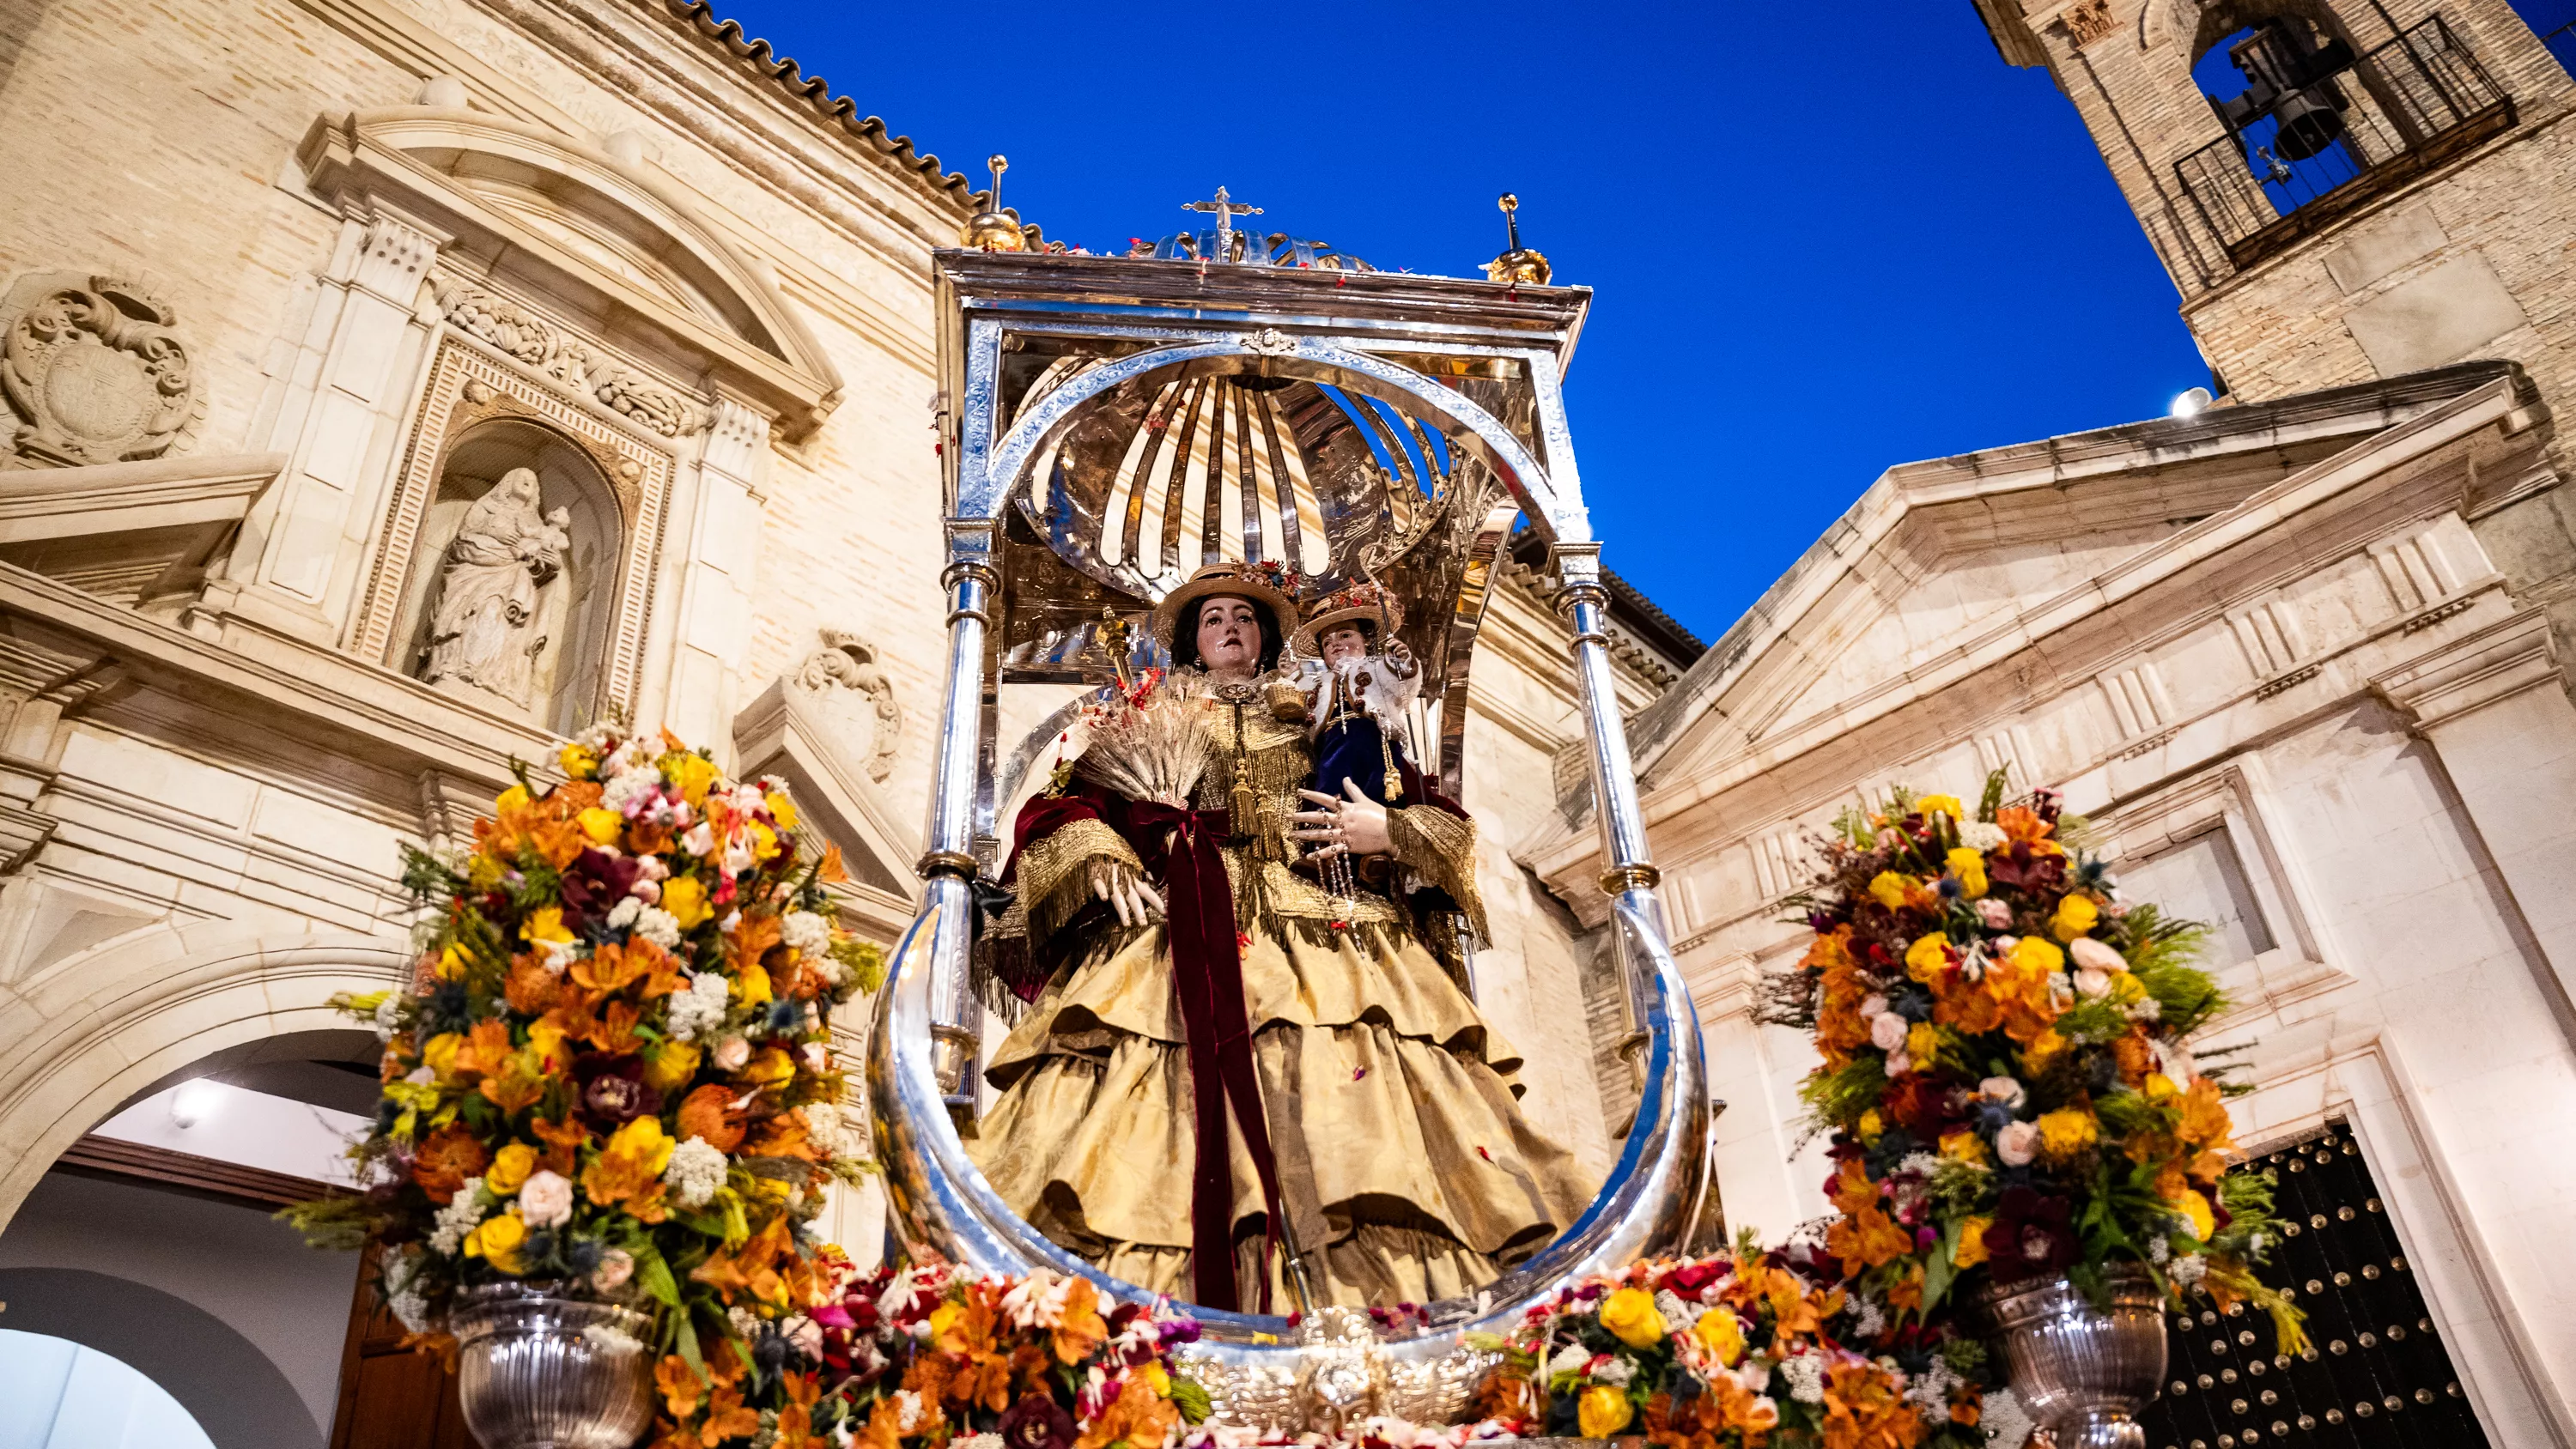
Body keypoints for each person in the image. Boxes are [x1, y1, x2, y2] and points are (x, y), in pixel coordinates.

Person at [970, 561, 1587, 1313]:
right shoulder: (1143, 716)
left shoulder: (1320, 715)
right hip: (1177, 928)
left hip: (1330, 936)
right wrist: (1099, 854)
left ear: (1264, 637)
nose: (1229, 627)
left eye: (1244, 616)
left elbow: (1435, 813)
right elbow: (1059, 808)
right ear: (1194, 642)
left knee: (1358, 1128)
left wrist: (1386, 830)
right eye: (1212, 618)